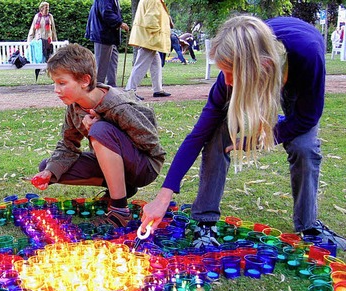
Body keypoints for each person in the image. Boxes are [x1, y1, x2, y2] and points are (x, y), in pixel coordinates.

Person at [139, 15, 346, 250]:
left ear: (257, 67)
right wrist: (163, 196)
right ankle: (205, 221)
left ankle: (309, 225)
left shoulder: (308, 55)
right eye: (223, 71)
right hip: (261, 64)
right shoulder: (230, 76)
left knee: (304, 147)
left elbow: (308, 117)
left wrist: (262, 137)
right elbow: (198, 135)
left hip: (294, 73)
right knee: (217, 133)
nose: (226, 82)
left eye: (230, 72)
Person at [32, 44, 165, 228]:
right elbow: (68, 145)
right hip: (116, 165)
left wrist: (105, 126)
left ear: (85, 81)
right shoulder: (74, 108)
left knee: (100, 130)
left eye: (62, 83)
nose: (56, 89)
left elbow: (151, 142)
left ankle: (119, 211)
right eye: (55, 83)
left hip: (144, 167)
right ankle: (121, 188)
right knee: (50, 166)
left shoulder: (117, 105)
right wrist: (50, 171)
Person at [125, 0, 171, 100]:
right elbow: (151, 20)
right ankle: (129, 90)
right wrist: (157, 34)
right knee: (141, 64)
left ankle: (158, 89)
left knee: (156, 63)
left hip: (147, 37)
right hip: (150, 38)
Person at [85, 0, 129, 88]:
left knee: (112, 62)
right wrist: (119, 23)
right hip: (103, 35)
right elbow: (106, 13)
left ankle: (111, 87)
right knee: (102, 65)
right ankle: (97, 89)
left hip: (109, 36)